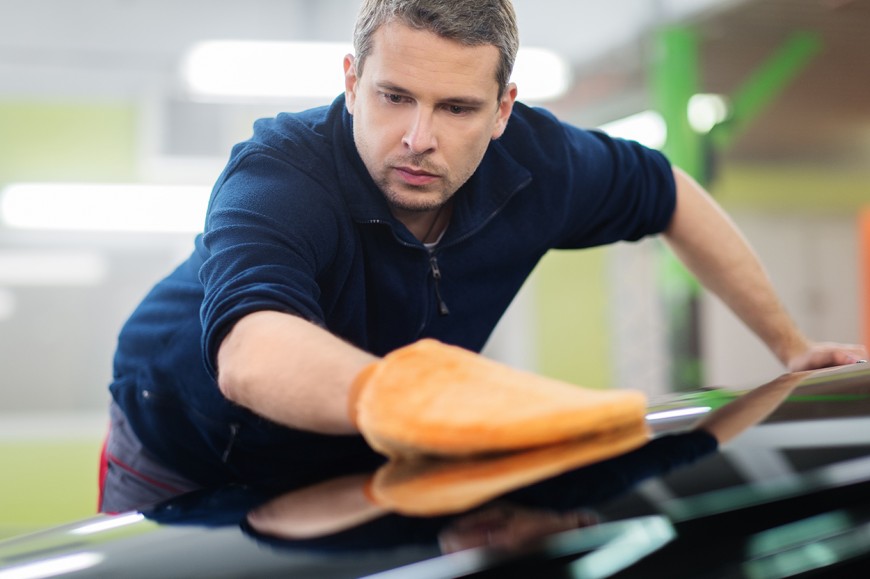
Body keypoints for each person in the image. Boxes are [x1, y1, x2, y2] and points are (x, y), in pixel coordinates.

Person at [98, 0, 866, 513]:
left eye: (457, 107)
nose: (418, 138)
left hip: (355, 451)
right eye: (394, 96)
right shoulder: (280, 173)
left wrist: (789, 345)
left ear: (502, 111)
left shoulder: (541, 162)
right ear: (352, 81)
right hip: (181, 445)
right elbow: (252, 351)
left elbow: (668, 191)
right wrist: (425, 404)